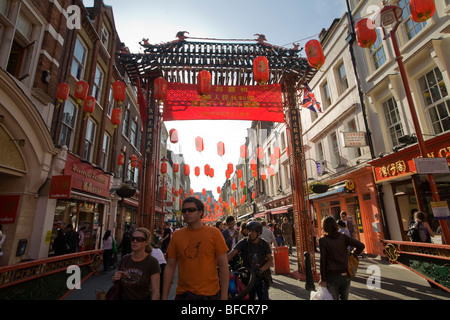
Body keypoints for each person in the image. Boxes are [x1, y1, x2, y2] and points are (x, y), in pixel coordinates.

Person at [162, 197, 229, 300]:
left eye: (191, 210)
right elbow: (170, 266)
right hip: (183, 293)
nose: (187, 213)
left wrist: (224, 295)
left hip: (209, 293)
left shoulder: (214, 233)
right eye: (184, 210)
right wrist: (164, 296)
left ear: (201, 212)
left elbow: (223, 265)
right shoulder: (177, 235)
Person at [319, 216, 365, 300]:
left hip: (331, 276)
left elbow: (323, 261)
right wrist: (353, 254)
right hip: (345, 274)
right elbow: (361, 245)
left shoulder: (323, 241)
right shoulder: (343, 237)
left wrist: (323, 279)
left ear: (324, 227)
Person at [227, 221, 273, 300]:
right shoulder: (243, 243)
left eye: (253, 231)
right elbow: (231, 254)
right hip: (247, 279)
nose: (250, 233)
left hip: (261, 278)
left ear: (258, 232)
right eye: (249, 231)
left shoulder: (264, 244)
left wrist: (261, 269)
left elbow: (270, 260)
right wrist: (220, 264)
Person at [112, 228, 160, 300]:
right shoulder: (125, 259)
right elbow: (116, 282)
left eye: (139, 239)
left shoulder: (152, 262)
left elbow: (155, 291)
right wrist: (114, 278)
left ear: (146, 242)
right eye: (133, 238)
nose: (135, 241)